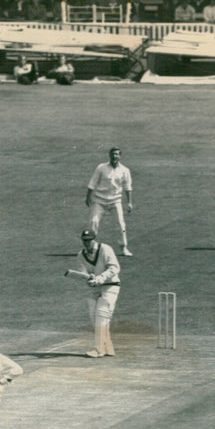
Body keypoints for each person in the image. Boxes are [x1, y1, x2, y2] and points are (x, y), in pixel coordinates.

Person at [77, 229, 121, 358]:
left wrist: (100, 278)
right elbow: (83, 272)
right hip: (94, 289)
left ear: (94, 239)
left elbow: (114, 268)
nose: (87, 243)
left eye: (89, 241)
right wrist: (88, 278)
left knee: (101, 316)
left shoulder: (105, 249)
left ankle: (99, 349)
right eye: (84, 241)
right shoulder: (81, 255)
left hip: (110, 286)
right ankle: (108, 348)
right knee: (94, 319)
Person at [86, 147, 134, 256]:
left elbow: (128, 187)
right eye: (113, 154)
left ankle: (124, 248)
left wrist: (130, 202)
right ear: (109, 155)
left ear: (120, 156)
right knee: (93, 222)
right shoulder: (101, 167)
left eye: (117, 154)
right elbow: (92, 183)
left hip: (115, 200)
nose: (114, 156)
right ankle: (91, 247)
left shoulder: (125, 170)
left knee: (121, 224)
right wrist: (88, 197)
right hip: (99, 200)